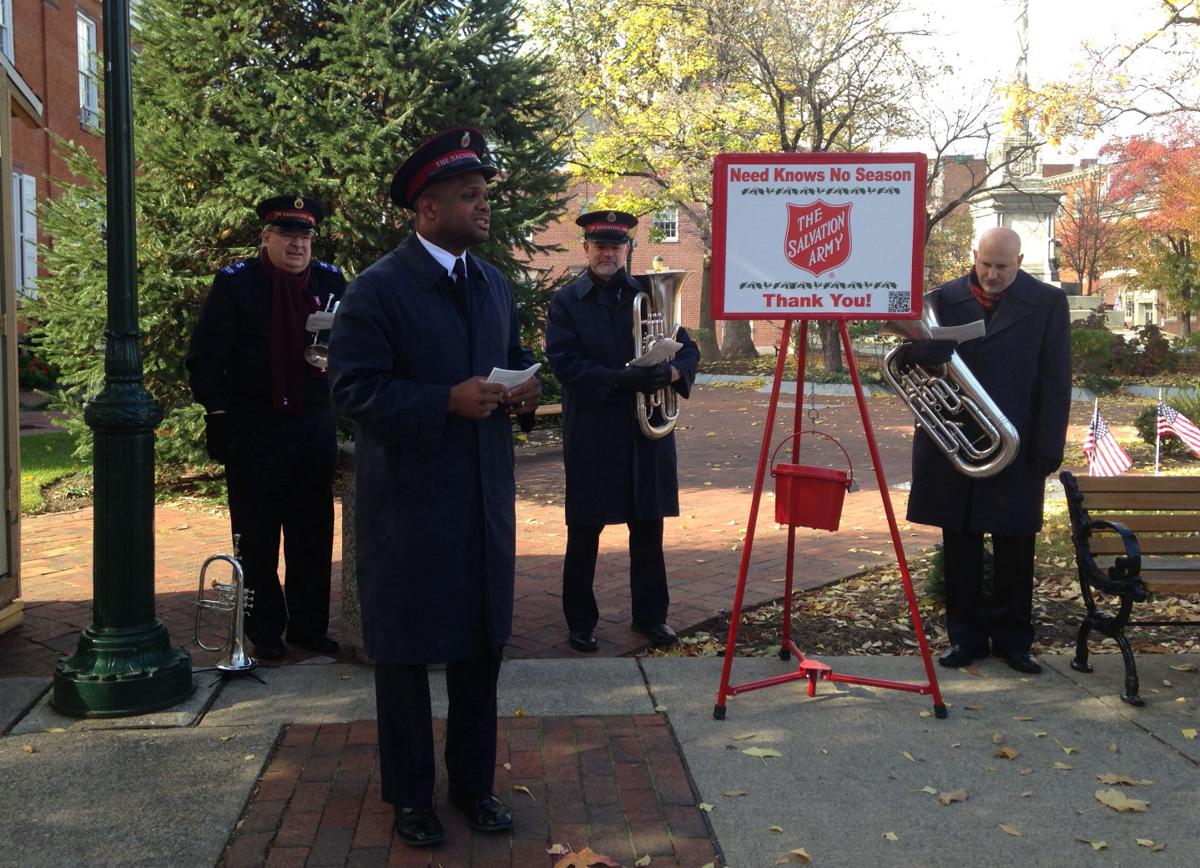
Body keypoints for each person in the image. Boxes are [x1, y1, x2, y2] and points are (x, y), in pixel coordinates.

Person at [327, 127, 539, 848]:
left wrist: (524, 388)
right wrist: (440, 401)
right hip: (410, 511)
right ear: (426, 209)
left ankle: (474, 785)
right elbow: (352, 389)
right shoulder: (378, 290)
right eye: (469, 196)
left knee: (481, 651)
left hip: (482, 505)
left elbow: (511, 360)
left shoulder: (493, 283)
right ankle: (412, 798)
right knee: (407, 656)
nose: (484, 207)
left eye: (484, 194)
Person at [901, 226, 1071, 674]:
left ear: (1019, 261)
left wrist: (1049, 444)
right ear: (974, 255)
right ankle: (966, 640)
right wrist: (919, 351)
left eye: (1002, 267)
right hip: (955, 442)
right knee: (961, 544)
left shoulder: (1049, 303)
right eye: (985, 265)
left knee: (1016, 544)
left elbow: (1056, 378)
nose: (992, 275)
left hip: (1017, 442)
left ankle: (1014, 641)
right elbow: (909, 361)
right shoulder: (938, 299)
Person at [187, 195, 344, 661]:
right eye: (287, 234)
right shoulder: (238, 285)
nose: (298, 244)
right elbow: (206, 357)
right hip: (256, 428)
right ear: (266, 237)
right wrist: (217, 414)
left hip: (314, 424)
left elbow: (357, 344)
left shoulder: (331, 281)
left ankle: (310, 628)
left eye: (305, 236)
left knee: (313, 534)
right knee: (256, 537)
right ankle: (266, 631)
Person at [545, 210, 700, 653]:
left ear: (628, 249)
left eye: (616, 245)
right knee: (585, 530)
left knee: (648, 530)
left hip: (644, 435)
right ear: (586, 249)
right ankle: (580, 622)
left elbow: (689, 349)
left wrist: (671, 374)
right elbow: (565, 363)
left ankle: (651, 617)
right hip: (594, 431)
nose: (608, 252)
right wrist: (621, 379)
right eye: (599, 245)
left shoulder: (649, 294)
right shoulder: (566, 302)